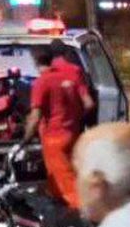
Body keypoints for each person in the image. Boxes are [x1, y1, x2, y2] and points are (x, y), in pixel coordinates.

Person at [24, 46, 95, 208]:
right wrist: (76, 119)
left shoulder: (41, 83)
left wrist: (26, 139)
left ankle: (80, 219)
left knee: (66, 185)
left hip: (53, 139)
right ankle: (62, 214)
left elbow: (35, 117)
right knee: (67, 177)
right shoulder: (69, 77)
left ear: (36, 62)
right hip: (72, 133)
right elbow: (88, 103)